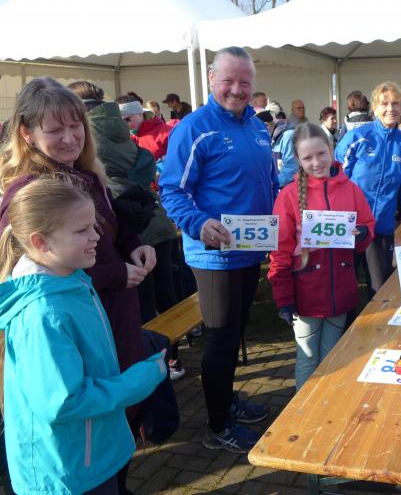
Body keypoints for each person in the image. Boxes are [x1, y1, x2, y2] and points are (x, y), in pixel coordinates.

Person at [0, 77, 156, 493]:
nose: (70, 138)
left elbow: (107, 232)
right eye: (55, 129)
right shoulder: (32, 194)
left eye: (76, 126)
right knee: (95, 421)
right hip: (76, 330)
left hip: (108, 319)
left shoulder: (86, 174)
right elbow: (30, 276)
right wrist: (116, 274)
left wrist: (134, 246)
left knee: (115, 420)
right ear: (26, 133)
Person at [159, 46, 279, 453]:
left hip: (251, 248)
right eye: (229, 80)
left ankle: (225, 400)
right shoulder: (194, 128)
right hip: (214, 255)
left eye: (245, 82)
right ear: (212, 79)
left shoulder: (258, 127)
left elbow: (269, 183)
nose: (237, 89)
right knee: (221, 339)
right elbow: (172, 190)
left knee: (235, 332)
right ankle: (217, 425)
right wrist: (198, 224)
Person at [67, 81, 184, 380]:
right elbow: (145, 160)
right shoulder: (118, 126)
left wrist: (120, 184)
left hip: (128, 223)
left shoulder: (91, 133)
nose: (68, 136)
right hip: (150, 217)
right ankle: (171, 359)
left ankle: (154, 364)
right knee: (165, 293)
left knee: (143, 302)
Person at [269, 123, 375, 389]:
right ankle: (302, 410)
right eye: (307, 158)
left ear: (331, 149)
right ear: (298, 159)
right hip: (305, 294)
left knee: (332, 358)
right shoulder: (288, 196)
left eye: (321, 154)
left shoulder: (351, 189)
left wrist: (362, 234)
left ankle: (326, 405)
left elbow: (366, 228)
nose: (316, 163)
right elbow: (280, 251)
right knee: (307, 359)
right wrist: (283, 297)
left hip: (340, 291)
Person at [335, 81, 401, 294]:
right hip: (348, 226)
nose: (390, 109)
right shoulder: (357, 138)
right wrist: (336, 219)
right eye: (384, 103)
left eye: (395, 103)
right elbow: (336, 182)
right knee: (343, 290)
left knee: (379, 290)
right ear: (374, 107)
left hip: (381, 229)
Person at [117, 95, 178, 163]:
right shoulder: (122, 139)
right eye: (120, 122)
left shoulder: (167, 133)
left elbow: (180, 160)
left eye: (127, 119)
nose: (125, 124)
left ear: (140, 114)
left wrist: (159, 166)